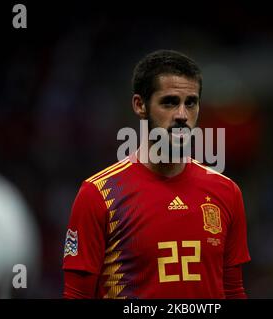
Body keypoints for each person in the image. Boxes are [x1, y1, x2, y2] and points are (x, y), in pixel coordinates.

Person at [62, 50, 250, 299]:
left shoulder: (226, 192)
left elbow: (234, 291)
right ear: (140, 105)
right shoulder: (98, 194)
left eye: (191, 102)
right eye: (170, 102)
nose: (182, 115)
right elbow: (77, 295)